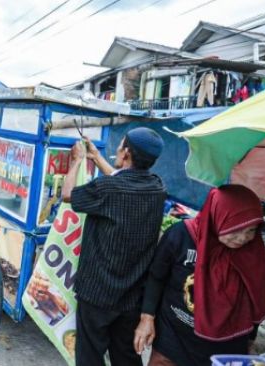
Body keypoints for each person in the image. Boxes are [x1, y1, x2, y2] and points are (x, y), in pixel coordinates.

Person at [134, 185, 265, 366]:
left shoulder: (252, 252)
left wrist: (250, 338)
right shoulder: (181, 236)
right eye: (235, 229)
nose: (242, 238)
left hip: (224, 349)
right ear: (217, 216)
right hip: (174, 339)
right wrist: (146, 319)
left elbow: (255, 297)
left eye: (250, 230)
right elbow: (156, 277)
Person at [62, 128, 167, 366]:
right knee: (126, 358)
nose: (117, 150)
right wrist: (97, 158)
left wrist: (77, 161)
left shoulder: (107, 189)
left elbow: (68, 194)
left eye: (121, 146)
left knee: (90, 357)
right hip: (131, 297)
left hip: (97, 295)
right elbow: (122, 182)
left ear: (127, 153)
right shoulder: (158, 188)